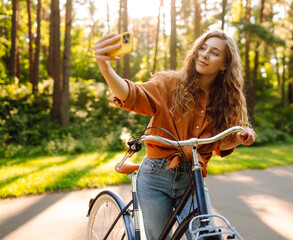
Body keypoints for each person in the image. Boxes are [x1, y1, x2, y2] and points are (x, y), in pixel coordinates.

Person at [94, 29, 256, 239]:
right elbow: (133, 94)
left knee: (204, 234)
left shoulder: (226, 100)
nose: (204, 54)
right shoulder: (170, 83)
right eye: (202, 48)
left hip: (192, 176)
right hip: (155, 176)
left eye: (214, 53)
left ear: (224, 65)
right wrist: (105, 68)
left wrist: (238, 137)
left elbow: (220, 143)